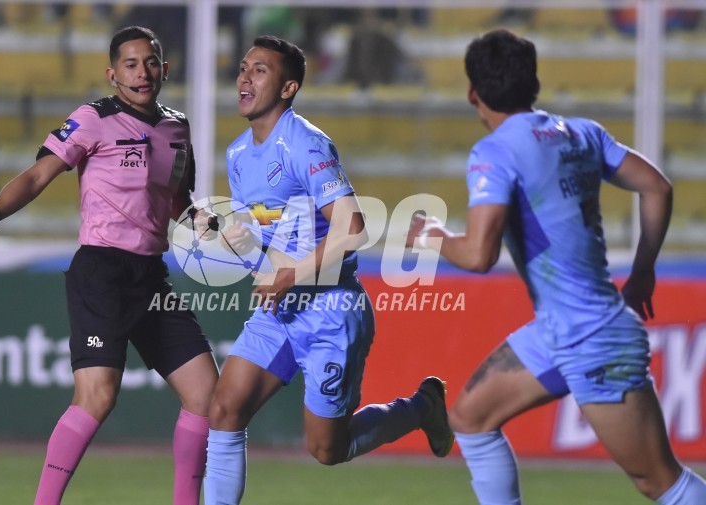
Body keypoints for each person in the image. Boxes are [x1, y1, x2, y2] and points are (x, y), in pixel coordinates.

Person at [407, 29, 706, 505]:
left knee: (659, 482)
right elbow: (657, 186)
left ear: (472, 93)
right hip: (559, 329)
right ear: (534, 82)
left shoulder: (495, 152)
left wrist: (431, 235)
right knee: (470, 418)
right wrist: (643, 271)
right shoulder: (582, 133)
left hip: (591, 336)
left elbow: (479, 255)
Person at [0, 26, 219, 505]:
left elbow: (177, 198)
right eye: (131, 64)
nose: (142, 72)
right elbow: (37, 176)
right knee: (97, 396)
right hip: (102, 272)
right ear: (113, 75)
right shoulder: (94, 119)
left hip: (151, 275)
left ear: (164, 69)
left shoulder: (178, 127)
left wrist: (199, 219)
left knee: (206, 394)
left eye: (150, 62)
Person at [199, 35, 454, 504]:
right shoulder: (237, 154)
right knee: (224, 410)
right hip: (281, 311)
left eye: (260, 70)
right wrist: (232, 237)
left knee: (327, 449)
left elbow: (353, 227)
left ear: (288, 88)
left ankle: (423, 407)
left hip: (330, 313)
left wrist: (290, 275)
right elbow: (267, 238)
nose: (245, 77)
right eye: (243, 67)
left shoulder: (306, 144)